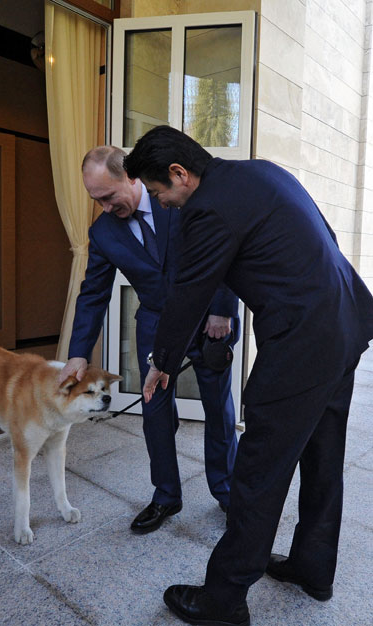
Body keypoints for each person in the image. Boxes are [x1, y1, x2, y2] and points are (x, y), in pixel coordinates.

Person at [124, 126, 373, 626]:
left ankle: (223, 598)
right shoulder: (261, 173)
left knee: (259, 468)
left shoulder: (207, 207)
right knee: (323, 455)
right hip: (346, 321)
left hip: (304, 341)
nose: (163, 204)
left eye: (159, 193)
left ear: (179, 174)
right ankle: (313, 566)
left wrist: (162, 362)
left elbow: (191, 290)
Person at [59, 145, 240, 535]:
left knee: (218, 409)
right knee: (155, 411)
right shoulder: (103, 232)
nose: (105, 207)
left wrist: (223, 308)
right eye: (96, 200)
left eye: (109, 196)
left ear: (132, 177)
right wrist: (77, 354)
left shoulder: (177, 196)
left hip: (209, 321)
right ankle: (165, 495)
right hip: (156, 327)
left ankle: (228, 493)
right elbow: (93, 294)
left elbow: (223, 246)